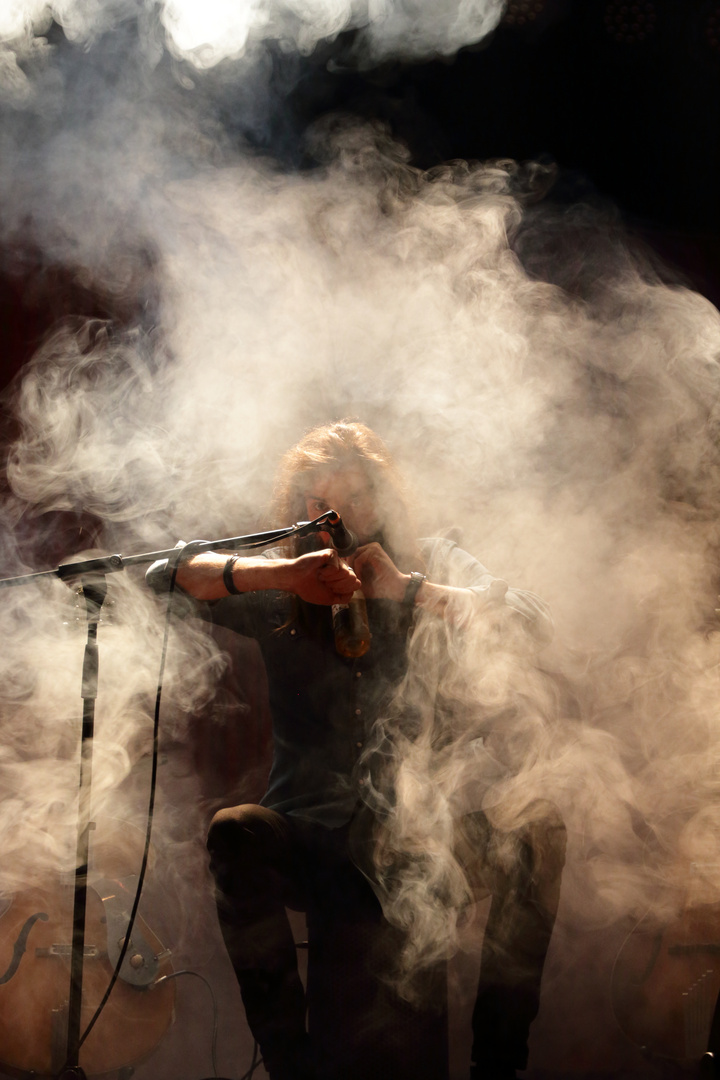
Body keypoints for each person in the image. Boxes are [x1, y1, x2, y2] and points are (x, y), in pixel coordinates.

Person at [154, 420, 565, 1080]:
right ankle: (290, 1064)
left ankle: (498, 1063)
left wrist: (410, 590)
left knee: (538, 829)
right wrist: (284, 574)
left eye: (352, 500)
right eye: (318, 504)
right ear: (299, 511)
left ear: (383, 500)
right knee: (236, 831)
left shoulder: (426, 560)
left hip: (419, 840)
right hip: (312, 840)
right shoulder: (284, 579)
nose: (337, 518)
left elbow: (530, 623)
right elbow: (166, 574)